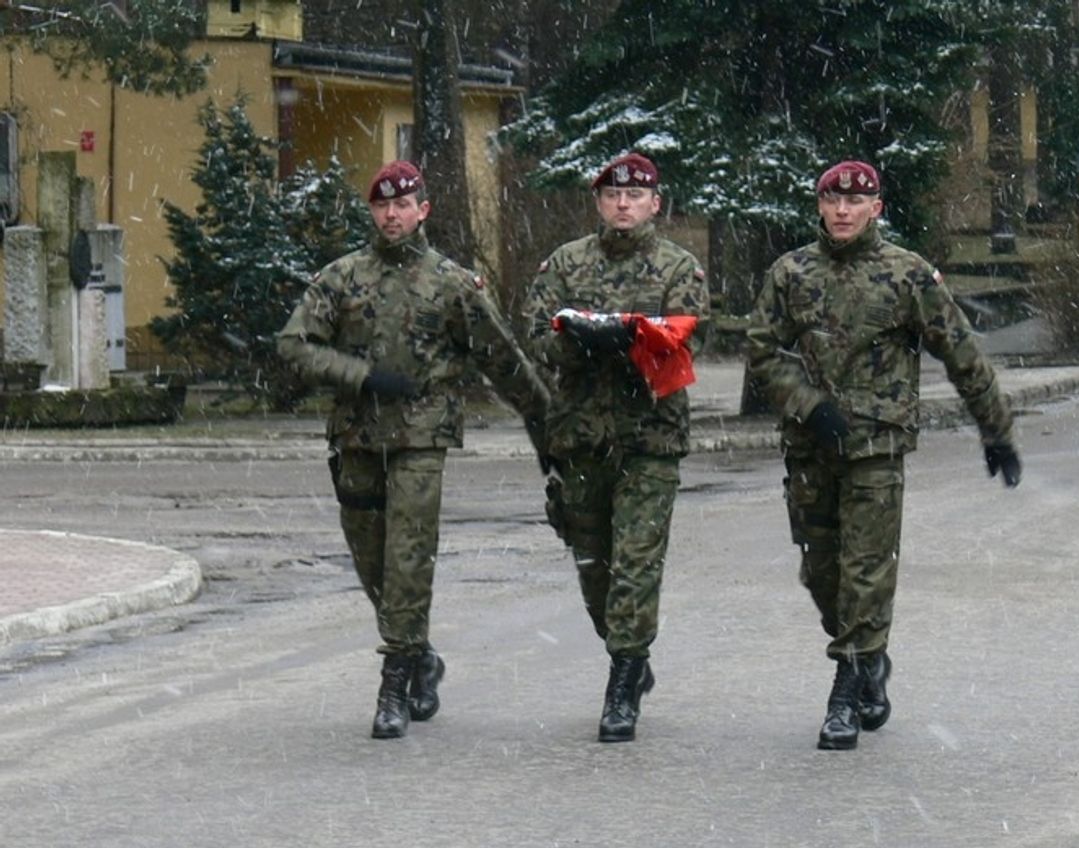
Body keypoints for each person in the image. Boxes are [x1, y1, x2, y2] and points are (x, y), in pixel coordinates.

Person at [746, 159, 1022, 750]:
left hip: (877, 446)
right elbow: (762, 351)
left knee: (866, 570)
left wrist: (995, 430)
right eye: (832, 200)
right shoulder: (792, 272)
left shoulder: (907, 275)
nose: (843, 210)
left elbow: (962, 354)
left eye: (856, 200)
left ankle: (846, 690)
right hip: (811, 447)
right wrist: (809, 404)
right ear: (819, 206)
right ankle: (870, 659)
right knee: (822, 573)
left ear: (877, 207)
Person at [277, 160, 549, 740]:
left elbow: (500, 356)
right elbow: (295, 345)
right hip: (357, 433)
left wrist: (544, 418)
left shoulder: (450, 283)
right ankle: (421, 655)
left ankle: (394, 684)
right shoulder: (342, 277)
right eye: (382, 206)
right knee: (372, 561)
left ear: (423, 210)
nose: (392, 216)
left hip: (423, 434)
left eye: (403, 206)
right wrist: (361, 375)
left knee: (407, 555)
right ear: (372, 212)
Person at [525, 152, 711, 742]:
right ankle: (626, 649)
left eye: (635, 195)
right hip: (581, 438)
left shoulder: (678, 267)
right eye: (612, 195)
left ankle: (624, 679)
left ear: (656, 203)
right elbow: (536, 334)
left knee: (636, 561)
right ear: (599, 203)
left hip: (648, 437)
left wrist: (626, 336)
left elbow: (681, 343)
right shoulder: (566, 263)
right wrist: (581, 339)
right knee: (594, 567)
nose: (623, 204)